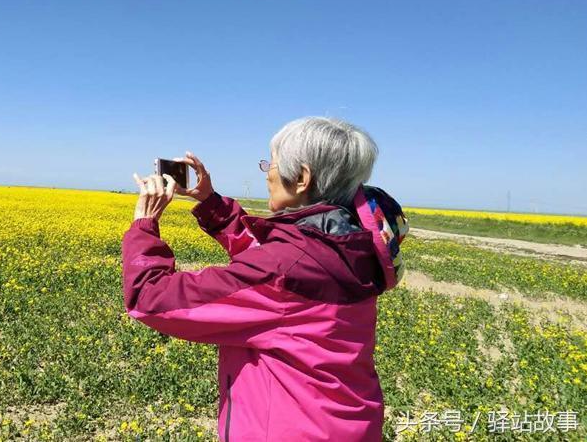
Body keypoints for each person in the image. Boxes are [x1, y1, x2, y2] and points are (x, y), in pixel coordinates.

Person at [121, 116, 408, 442]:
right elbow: (272, 257)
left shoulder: (285, 268)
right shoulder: (348, 246)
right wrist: (210, 202)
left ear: (301, 178)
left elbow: (151, 299)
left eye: (270, 163)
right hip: (347, 425)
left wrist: (144, 224)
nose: (267, 173)